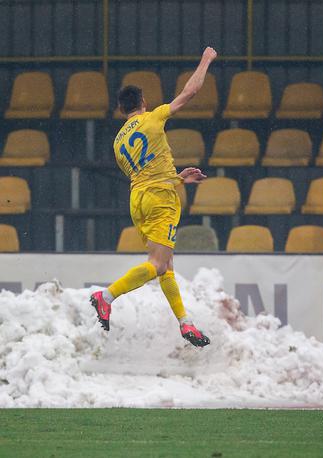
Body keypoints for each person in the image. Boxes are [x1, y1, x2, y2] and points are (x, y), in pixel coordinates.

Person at [89, 47, 218, 347]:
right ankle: (105, 296)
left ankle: (185, 324)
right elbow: (191, 91)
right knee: (158, 265)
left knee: (166, 265)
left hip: (138, 201)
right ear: (143, 103)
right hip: (161, 199)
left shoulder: (119, 142)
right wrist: (206, 59)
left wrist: (179, 178)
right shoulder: (153, 117)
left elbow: (144, 174)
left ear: (122, 110)